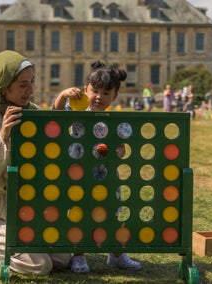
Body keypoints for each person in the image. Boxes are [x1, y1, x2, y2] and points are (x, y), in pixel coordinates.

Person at [0, 50, 71, 275]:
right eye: (22, 85)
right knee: (39, 265)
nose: (30, 90)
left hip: (24, 208)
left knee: (63, 258)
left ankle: (11, 241)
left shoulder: (32, 113)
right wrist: (3, 136)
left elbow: (49, 150)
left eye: (31, 82)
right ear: (4, 87)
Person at [52, 60, 141, 273]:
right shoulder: (76, 111)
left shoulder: (114, 121)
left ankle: (116, 254)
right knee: (79, 215)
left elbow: (122, 149)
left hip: (107, 178)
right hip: (79, 176)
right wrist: (63, 95)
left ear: (115, 97)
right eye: (95, 90)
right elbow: (54, 115)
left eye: (106, 93)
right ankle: (79, 256)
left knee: (112, 214)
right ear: (85, 90)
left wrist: (115, 151)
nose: (99, 96)